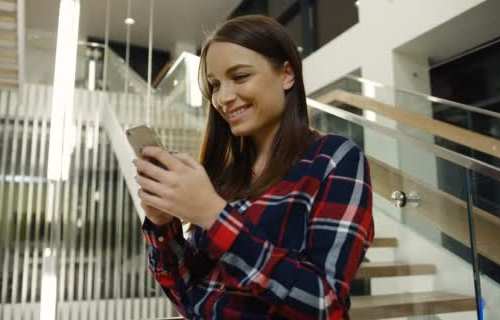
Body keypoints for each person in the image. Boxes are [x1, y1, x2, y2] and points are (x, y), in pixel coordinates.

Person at [133, 14, 374, 319]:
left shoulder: (335, 159)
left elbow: (324, 303)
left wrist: (214, 215)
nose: (223, 97)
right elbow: (188, 296)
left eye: (241, 76)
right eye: (215, 85)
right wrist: (162, 224)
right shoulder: (225, 176)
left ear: (287, 74)